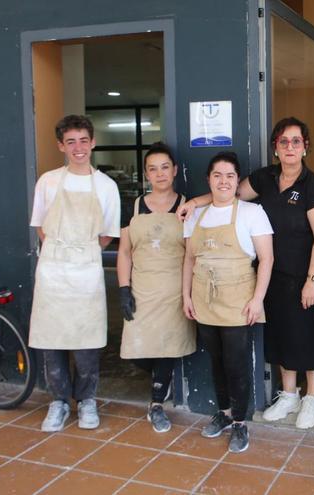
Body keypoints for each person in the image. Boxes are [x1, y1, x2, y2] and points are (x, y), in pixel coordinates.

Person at [177, 117, 314, 429]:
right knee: (280, 337)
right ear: (276, 147)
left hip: (302, 276)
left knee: (306, 337)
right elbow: (227, 193)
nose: (290, 147)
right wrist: (194, 202)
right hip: (269, 274)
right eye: (283, 141)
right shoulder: (265, 178)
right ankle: (289, 394)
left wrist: (312, 280)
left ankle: (312, 398)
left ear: (305, 147)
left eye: (296, 141)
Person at [29, 114, 121, 432]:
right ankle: (57, 401)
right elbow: (41, 226)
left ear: (93, 142)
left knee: (86, 343)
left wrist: (81, 250)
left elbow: (107, 233)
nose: (78, 147)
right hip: (53, 269)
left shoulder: (107, 186)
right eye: (71, 142)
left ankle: (86, 400)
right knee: (51, 341)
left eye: (83, 140)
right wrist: (61, 250)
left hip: (86, 269)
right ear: (61, 146)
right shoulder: (48, 181)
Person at [182, 151, 273, 453]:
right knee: (216, 361)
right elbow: (188, 259)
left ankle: (240, 423)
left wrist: (257, 299)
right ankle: (222, 413)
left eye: (230, 176)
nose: (224, 181)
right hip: (203, 298)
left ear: (238, 181)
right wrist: (186, 296)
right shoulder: (195, 214)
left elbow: (267, 259)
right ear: (208, 179)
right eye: (217, 175)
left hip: (238, 298)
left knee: (236, 364)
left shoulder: (251, 212)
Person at [116, 142, 196, 434]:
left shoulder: (187, 205)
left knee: (167, 349)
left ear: (174, 170)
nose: (160, 174)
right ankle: (162, 381)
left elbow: (191, 253)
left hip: (174, 290)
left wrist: (189, 293)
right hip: (143, 289)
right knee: (138, 351)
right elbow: (124, 251)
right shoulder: (134, 206)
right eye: (153, 169)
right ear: (146, 174)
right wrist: (124, 289)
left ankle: (156, 403)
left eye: (165, 167)